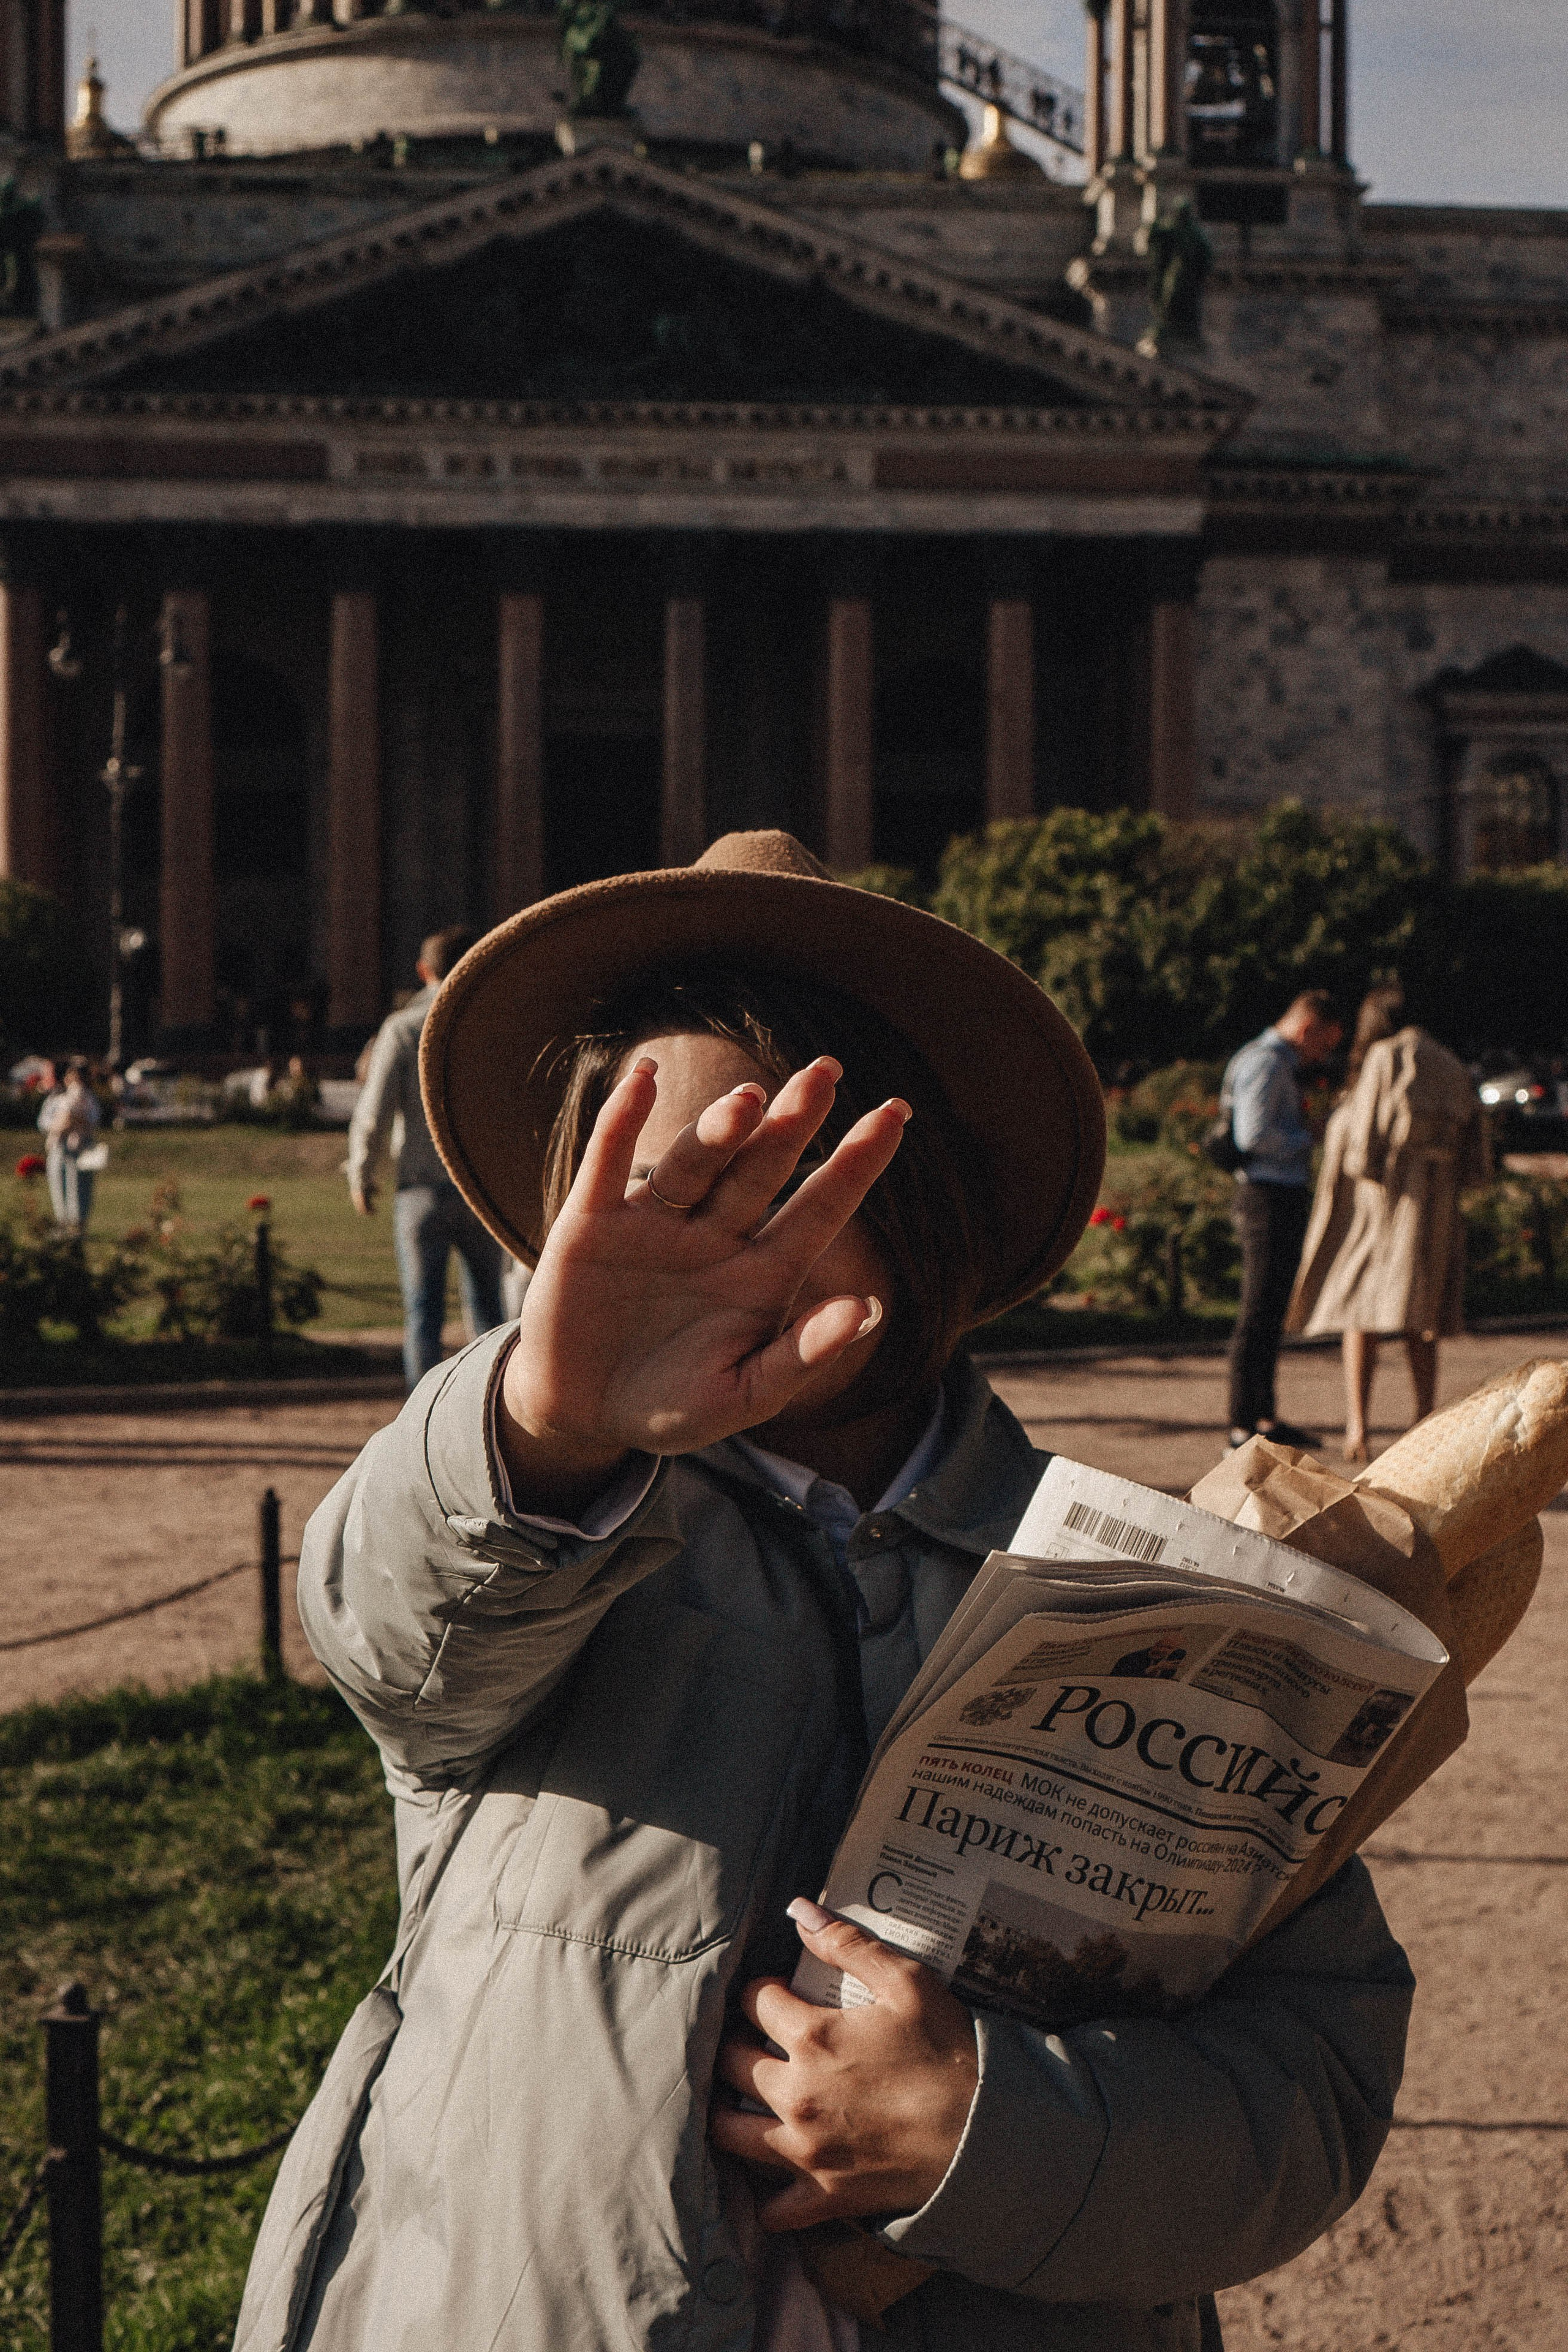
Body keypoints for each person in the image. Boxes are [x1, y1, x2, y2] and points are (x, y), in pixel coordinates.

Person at [238, 834, 1413, 2352]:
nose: (703, 1246)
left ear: (912, 1193)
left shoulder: (1142, 1591)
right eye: (652, 1190)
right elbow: (386, 1632)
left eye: (766, 1177)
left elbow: (1308, 2076)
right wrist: (545, 1419)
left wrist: (987, 2131)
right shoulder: (534, 1526)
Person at [1286, 982, 1489, 1463]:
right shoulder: (1453, 1065)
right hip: (1435, 1207)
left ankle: (1358, 1427)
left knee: (1362, 1310)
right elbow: (1478, 1157)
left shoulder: (1386, 1056)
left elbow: (1364, 1147)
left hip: (1384, 1206)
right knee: (1423, 1319)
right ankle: (1424, 1420)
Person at [346, 928, 507, 1389]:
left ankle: (420, 1415)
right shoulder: (490, 1025)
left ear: (423, 971)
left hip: (420, 1187)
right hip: (479, 1188)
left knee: (423, 1312)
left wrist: (362, 1174)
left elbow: (374, 1111)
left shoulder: (403, 1028)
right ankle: (492, 1405)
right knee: (489, 1314)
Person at [1221, 988, 1343, 1450]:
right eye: (1324, 1044)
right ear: (1308, 1028)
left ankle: (1263, 1418)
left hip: (1276, 1193)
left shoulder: (1275, 1061)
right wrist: (1308, 1136)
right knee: (1257, 1310)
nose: (1322, 1056)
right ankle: (1241, 1425)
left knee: (1271, 1310)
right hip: (1266, 1195)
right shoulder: (1266, 1062)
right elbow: (1252, 1136)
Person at [37, 1057, 102, 1231]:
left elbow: (91, 1120)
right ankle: (63, 1223)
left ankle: (78, 1225)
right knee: (59, 1185)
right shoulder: (57, 1097)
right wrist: (62, 1124)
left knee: (79, 1187)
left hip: (80, 1147)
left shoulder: (88, 1097)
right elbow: (45, 1122)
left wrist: (72, 1120)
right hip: (59, 1147)